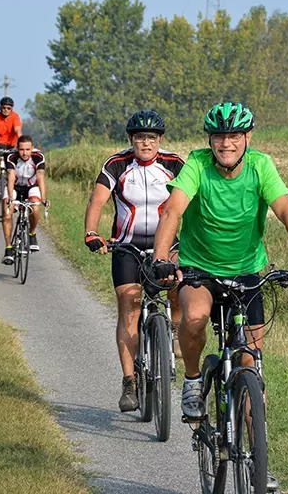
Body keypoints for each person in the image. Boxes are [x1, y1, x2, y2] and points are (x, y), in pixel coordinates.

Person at [152, 102, 288, 491]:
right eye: (220, 136)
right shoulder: (197, 165)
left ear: (247, 138)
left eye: (234, 136)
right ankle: (194, 380)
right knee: (195, 318)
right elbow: (173, 213)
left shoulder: (261, 166)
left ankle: (258, 464)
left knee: (251, 364)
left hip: (248, 272)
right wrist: (163, 258)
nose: (226, 143)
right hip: (200, 268)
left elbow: (285, 211)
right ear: (210, 140)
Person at [84, 110, 185, 412]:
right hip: (126, 245)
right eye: (140, 138)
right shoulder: (116, 165)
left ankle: (176, 326)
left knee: (180, 281)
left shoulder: (174, 164)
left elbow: (193, 200)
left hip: (165, 243)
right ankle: (130, 380)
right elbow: (97, 200)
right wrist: (91, 232)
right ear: (131, 139)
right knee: (129, 306)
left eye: (151, 138)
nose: (145, 143)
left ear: (160, 140)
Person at [1, 135, 49, 264]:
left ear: (32, 148)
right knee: (6, 214)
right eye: (22, 149)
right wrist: (11, 198)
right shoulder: (11, 157)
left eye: (28, 149)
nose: (25, 153)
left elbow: (40, 178)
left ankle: (32, 234)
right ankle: (9, 248)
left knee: (35, 207)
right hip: (15, 187)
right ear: (17, 149)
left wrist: (44, 199)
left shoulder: (38, 157)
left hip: (31, 187)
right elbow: (11, 177)